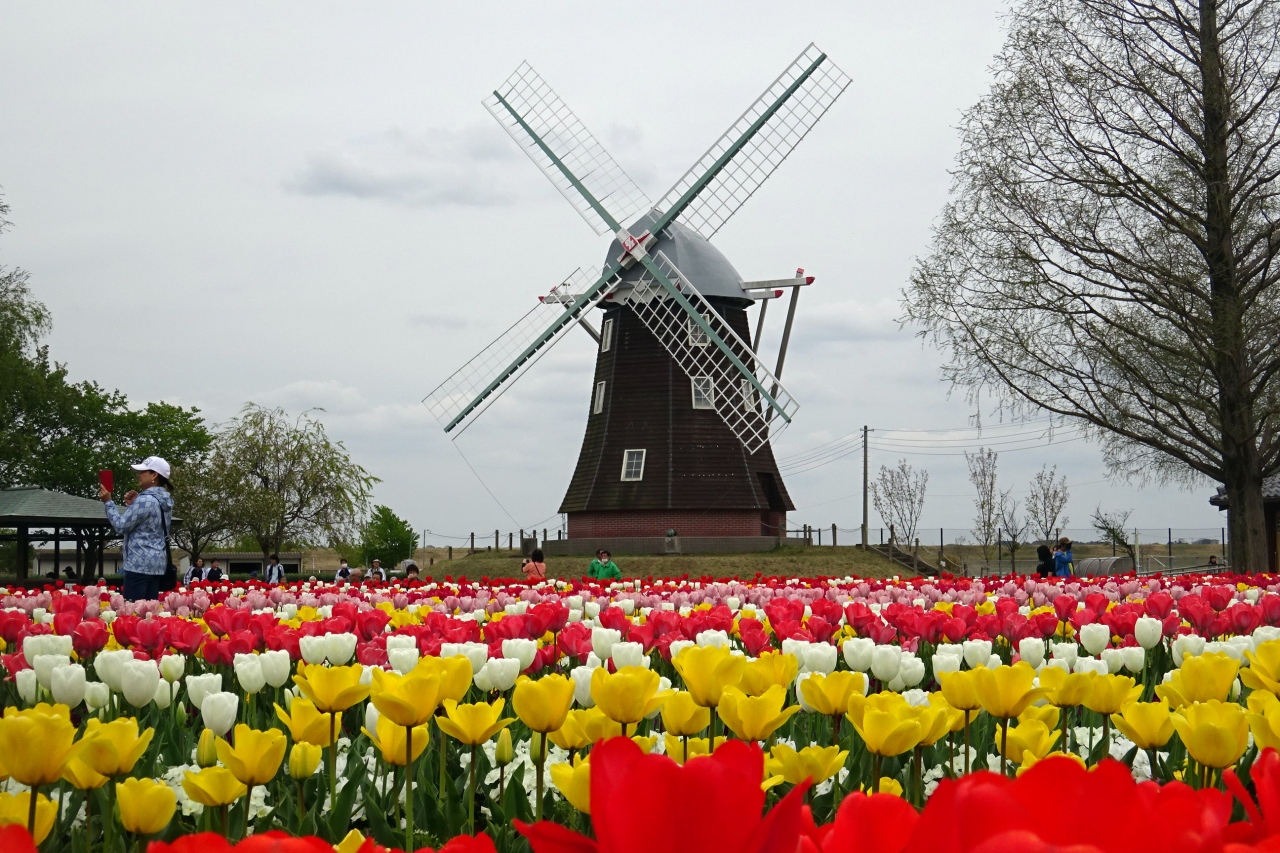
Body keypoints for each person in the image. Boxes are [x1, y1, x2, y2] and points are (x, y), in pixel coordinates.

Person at [98, 455, 174, 602]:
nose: (139, 475)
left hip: (138, 565)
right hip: (157, 564)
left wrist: (108, 502)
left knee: (133, 613)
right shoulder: (164, 499)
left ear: (154, 475)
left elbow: (121, 526)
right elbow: (149, 524)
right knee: (148, 612)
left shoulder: (145, 500)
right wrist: (133, 504)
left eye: (143, 472)